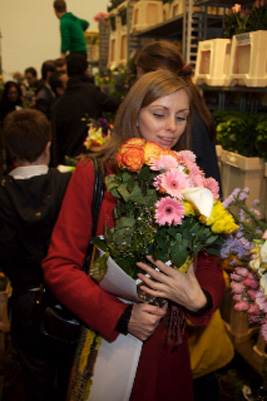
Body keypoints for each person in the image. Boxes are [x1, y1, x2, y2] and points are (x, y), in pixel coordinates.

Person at [42, 70, 225, 401]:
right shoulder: (97, 173)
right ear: (134, 114)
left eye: (181, 117)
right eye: (159, 114)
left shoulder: (191, 180)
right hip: (109, 340)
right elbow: (59, 265)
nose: (172, 127)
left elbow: (210, 263)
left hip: (170, 348)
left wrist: (201, 300)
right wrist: (122, 316)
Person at [135, 41, 233, 400]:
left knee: (185, 358)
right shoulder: (195, 114)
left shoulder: (184, 130)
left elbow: (205, 200)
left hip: (186, 249)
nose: (169, 126)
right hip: (185, 241)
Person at [0, 109, 72, 401]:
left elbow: (3, 253)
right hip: (68, 298)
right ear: (48, 144)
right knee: (71, 377)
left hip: (25, 299)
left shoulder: (3, 193)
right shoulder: (67, 183)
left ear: (10, 149)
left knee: (34, 379)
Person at [135, 40, 222, 196]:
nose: (172, 127)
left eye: (140, 75)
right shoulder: (194, 107)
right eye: (159, 115)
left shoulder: (189, 125)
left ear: (158, 73)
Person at [50, 53, 121, 166]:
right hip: (89, 161)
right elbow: (119, 105)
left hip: (66, 164)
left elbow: (55, 143)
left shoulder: (58, 104)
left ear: (68, 73)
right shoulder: (92, 94)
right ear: (86, 71)